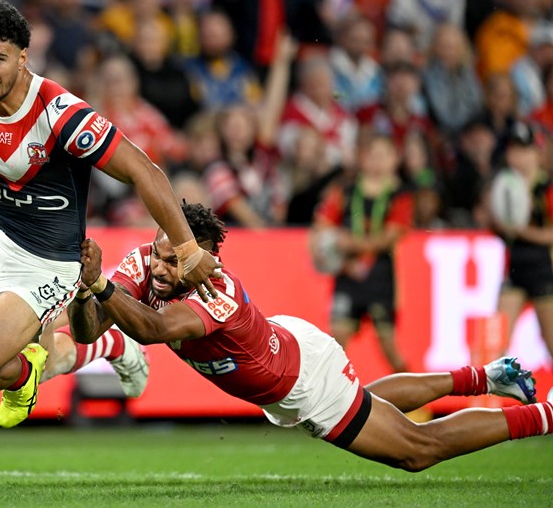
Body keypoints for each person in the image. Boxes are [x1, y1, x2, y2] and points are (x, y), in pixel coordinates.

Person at [0, 0, 220, 499]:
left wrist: (186, 247)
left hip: (50, 259)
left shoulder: (61, 114)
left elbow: (144, 170)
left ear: (23, 57)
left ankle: (31, 367)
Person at [69, 202, 549, 476]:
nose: (157, 266)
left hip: (303, 381)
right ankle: (484, 376)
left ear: (207, 257)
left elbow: (152, 329)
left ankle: (542, 415)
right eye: (156, 253)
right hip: (288, 350)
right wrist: (84, 285)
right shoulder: (146, 264)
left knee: (416, 451)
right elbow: (89, 328)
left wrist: (102, 285)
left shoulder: (218, 293)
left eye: (173, 259)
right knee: (364, 402)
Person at [310, 136, 412, 373]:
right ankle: (332, 401)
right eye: (372, 155)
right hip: (348, 276)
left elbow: (388, 238)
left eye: (383, 155)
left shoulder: (401, 195)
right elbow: (321, 229)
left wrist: (347, 244)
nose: (377, 162)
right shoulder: (344, 191)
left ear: (394, 160)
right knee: (336, 342)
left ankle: (416, 405)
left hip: (380, 280)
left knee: (389, 347)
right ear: (362, 158)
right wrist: (325, 255)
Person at [488, 122, 553, 362]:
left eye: (524, 151)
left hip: (545, 270)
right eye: (513, 151)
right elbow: (499, 228)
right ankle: (490, 398)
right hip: (515, 268)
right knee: (496, 341)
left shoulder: (546, 188)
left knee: (551, 340)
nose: (518, 158)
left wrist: (522, 231)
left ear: (538, 153)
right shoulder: (504, 186)